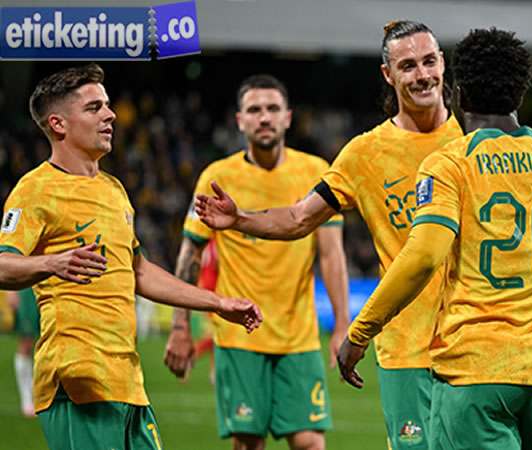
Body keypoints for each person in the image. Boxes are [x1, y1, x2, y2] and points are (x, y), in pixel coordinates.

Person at [333, 27, 532, 449]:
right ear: (520, 94)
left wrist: (359, 333)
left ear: (459, 95)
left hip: (475, 370)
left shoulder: (450, 164)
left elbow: (424, 256)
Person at [190, 20, 462, 449]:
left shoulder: (476, 138)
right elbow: (300, 219)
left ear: (443, 63)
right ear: (388, 75)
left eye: (429, 61)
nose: (422, 75)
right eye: (408, 66)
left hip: (475, 344)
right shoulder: (365, 153)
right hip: (407, 351)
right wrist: (241, 219)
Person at [0, 63, 262, 450]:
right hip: (77, 378)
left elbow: (139, 271)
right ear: (58, 124)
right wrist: (50, 263)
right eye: (94, 108)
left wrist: (218, 303)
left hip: (127, 380)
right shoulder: (35, 190)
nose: (110, 115)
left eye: (107, 105)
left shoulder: (114, 190)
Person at [163, 74, 349, 450]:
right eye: (254, 110)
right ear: (239, 120)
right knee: (248, 443)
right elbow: (191, 251)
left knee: (311, 442)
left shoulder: (316, 172)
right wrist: (180, 327)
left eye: (273, 109)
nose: (264, 117)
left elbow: (331, 254)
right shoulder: (217, 177)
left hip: (299, 336)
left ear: (288, 117)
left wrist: (342, 323)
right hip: (239, 336)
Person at [7, 287, 39, 418]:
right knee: (27, 342)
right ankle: (27, 400)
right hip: (27, 288)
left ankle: (42, 397)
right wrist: (11, 290)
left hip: (50, 286)